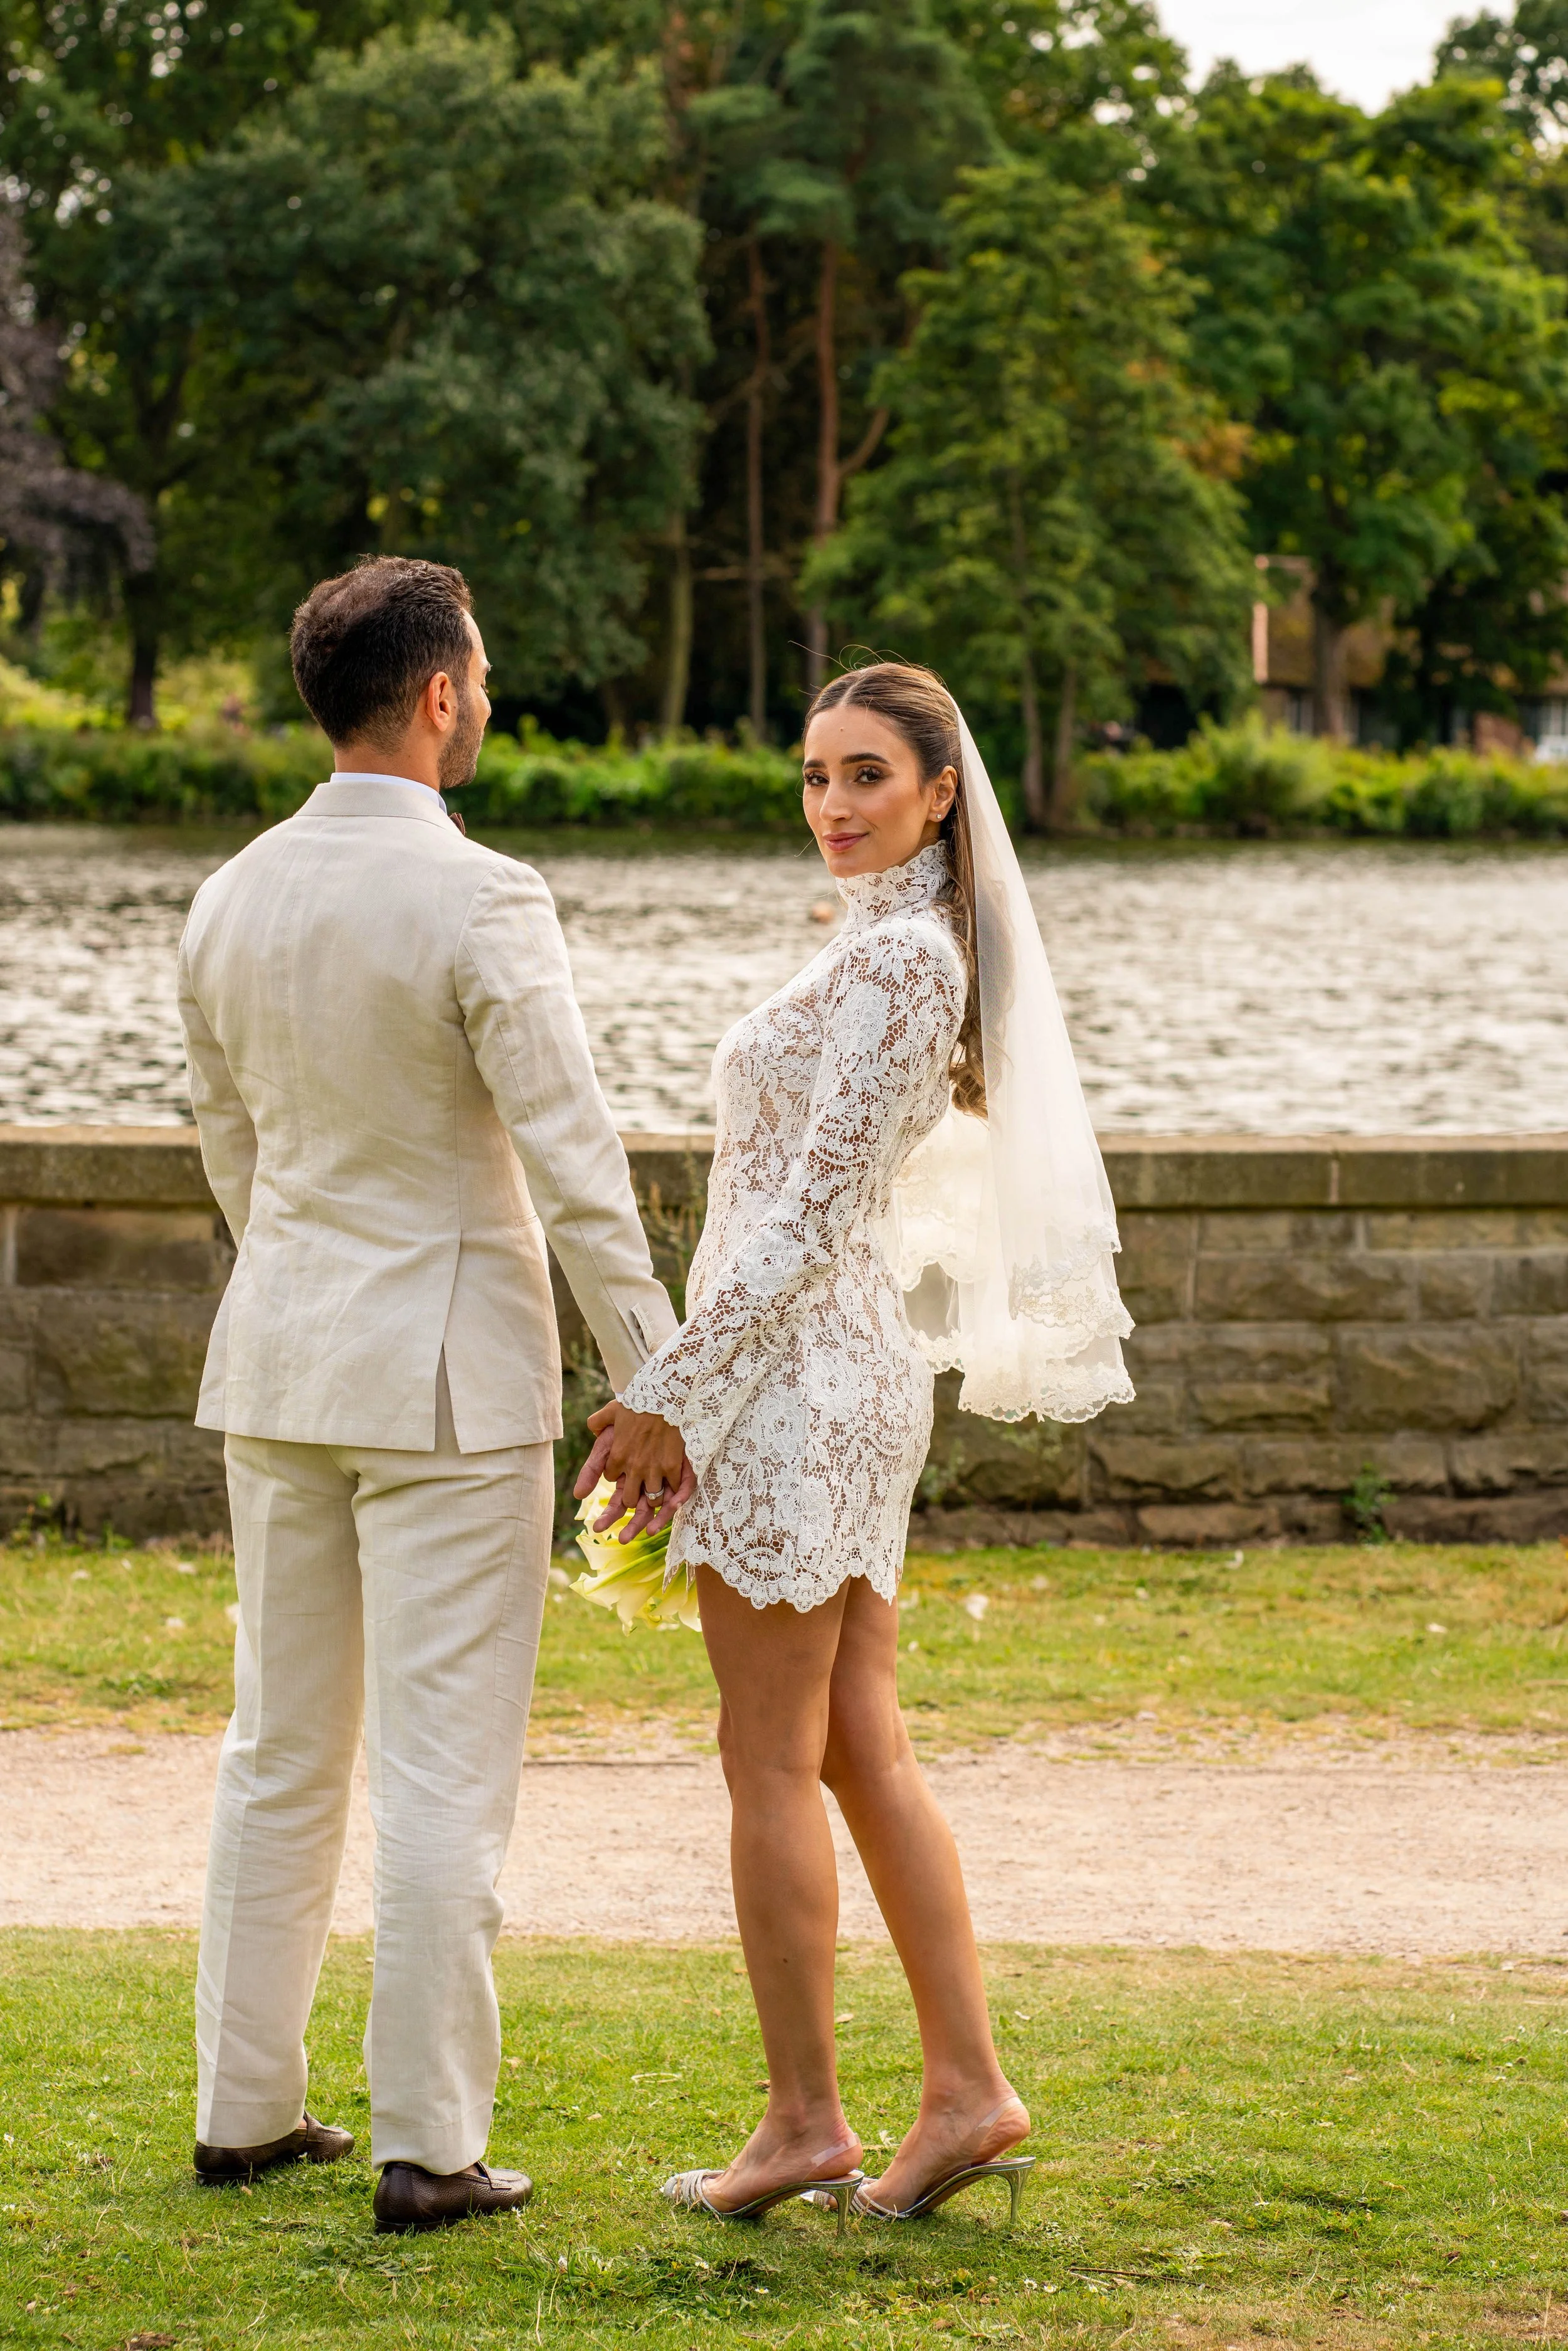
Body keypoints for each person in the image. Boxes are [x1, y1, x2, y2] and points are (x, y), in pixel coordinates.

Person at [580, 661, 1132, 2226]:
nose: (832, 805)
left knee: (767, 1756)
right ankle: (962, 2089)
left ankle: (802, 2119)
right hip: (830, 1372)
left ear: (941, 792)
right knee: (854, 1746)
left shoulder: (901, 968)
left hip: (795, 1383)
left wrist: (668, 1391)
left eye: (866, 776)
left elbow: (807, 1214)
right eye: (815, 776)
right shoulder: (891, 948)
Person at [177, 556, 691, 2233]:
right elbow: (575, 1157)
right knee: (445, 1762)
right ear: (438, 694)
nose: (484, 695)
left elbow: (229, 1143)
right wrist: (652, 1374)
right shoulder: (482, 896)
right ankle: (429, 2147)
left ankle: (243, 2111)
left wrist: (308, 1275)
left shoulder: (228, 893)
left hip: (282, 1356)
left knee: (278, 1748)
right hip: (446, 1379)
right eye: (478, 674)